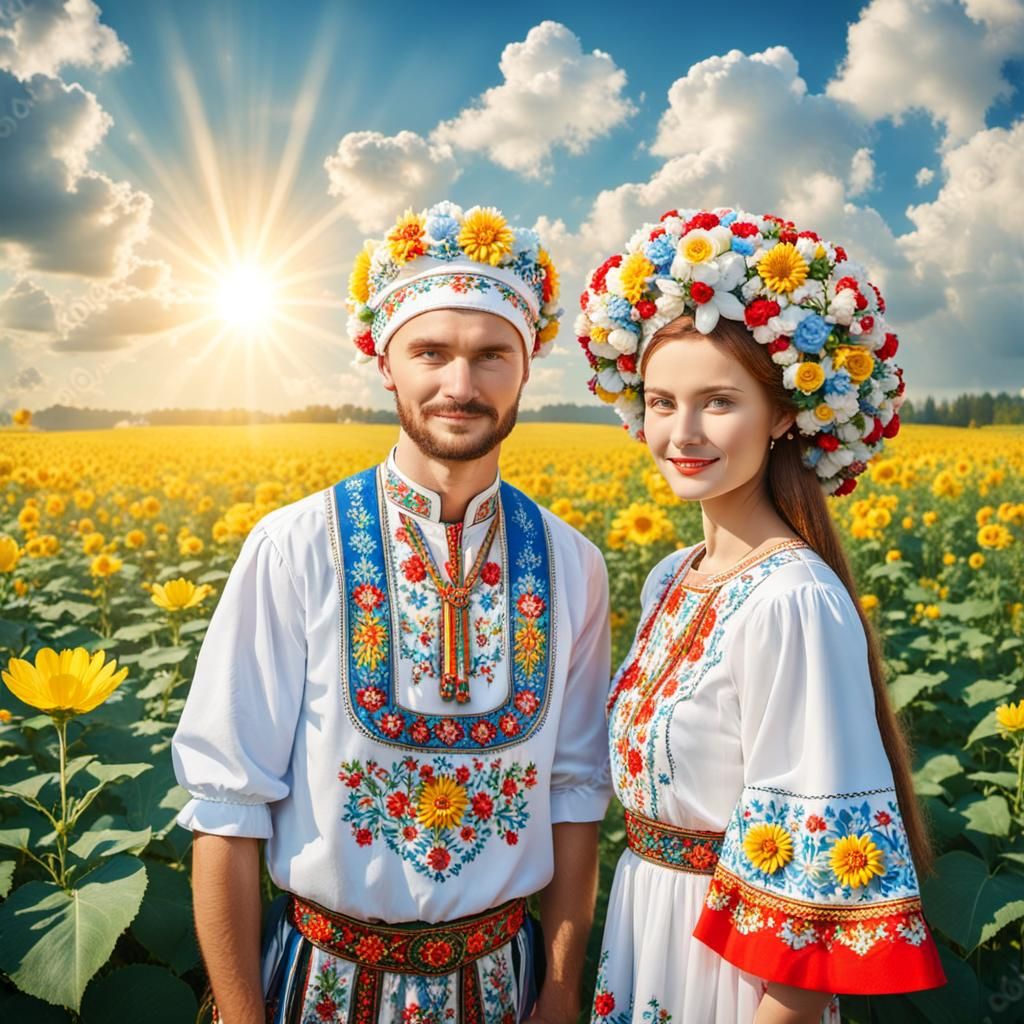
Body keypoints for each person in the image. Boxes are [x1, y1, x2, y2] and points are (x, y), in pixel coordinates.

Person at [171, 201, 612, 1024]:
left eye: (491, 355)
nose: (460, 386)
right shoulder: (294, 546)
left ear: (527, 367)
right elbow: (228, 807)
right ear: (385, 363)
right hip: (320, 988)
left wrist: (559, 993)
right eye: (430, 351)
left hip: (506, 988)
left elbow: (575, 794)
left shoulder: (573, 564)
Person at [575, 207, 946, 1023]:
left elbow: (811, 906)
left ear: (783, 415)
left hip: (733, 975)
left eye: (718, 402)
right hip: (648, 927)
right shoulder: (673, 576)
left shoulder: (793, 601)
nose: (681, 433)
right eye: (661, 402)